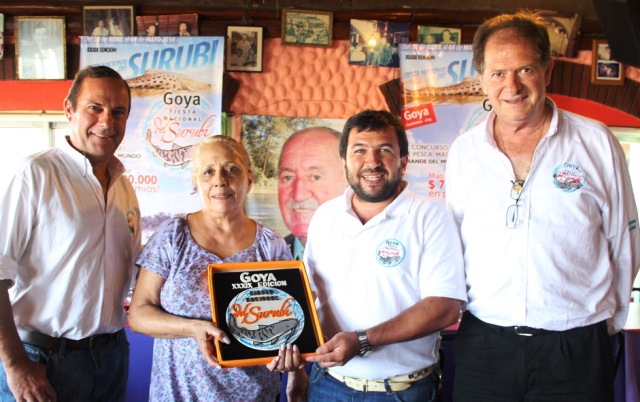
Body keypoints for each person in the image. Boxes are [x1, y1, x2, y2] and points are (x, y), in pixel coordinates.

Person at [445, 11, 640, 402]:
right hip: (485, 345)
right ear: (481, 78)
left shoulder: (595, 142)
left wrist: (609, 322)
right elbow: (452, 244)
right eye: (498, 73)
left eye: (525, 69)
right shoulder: (464, 152)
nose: (512, 86)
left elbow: (625, 239)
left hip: (576, 348)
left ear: (547, 70)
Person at [295, 110, 466, 402]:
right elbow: (306, 292)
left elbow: (445, 307)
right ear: (344, 161)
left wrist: (362, 340)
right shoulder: (325, 216)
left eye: (384, 150)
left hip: (401, 392)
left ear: (404, 161)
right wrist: (288, 350)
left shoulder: (430, 217)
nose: (372, 162)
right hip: (328, 384)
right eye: (359, 150)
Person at [0, 65, 141, 401]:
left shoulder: (124, 188)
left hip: (112, 356)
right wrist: (15, 364)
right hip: (42, 361)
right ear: (68, 110)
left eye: (118, 112)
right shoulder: (35, 174)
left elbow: (138, 276)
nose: (107, 121)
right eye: (95, 108)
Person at [128, 135, 302, 401]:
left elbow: (290, 321)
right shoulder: (172, 236)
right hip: (180, 395)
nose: (220, 180)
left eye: (232, 169)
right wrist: (193, 328)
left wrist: (288, 357)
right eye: (208, 171)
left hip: (254, 394)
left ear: (249, 179)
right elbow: (138, 315)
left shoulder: (271, 245)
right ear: (196, 183)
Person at [277, 127, 347, 260]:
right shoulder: (265, 256)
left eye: (315, 177)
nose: (298, 195)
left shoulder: (376, 254)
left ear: (350, 184)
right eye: (288, 177)